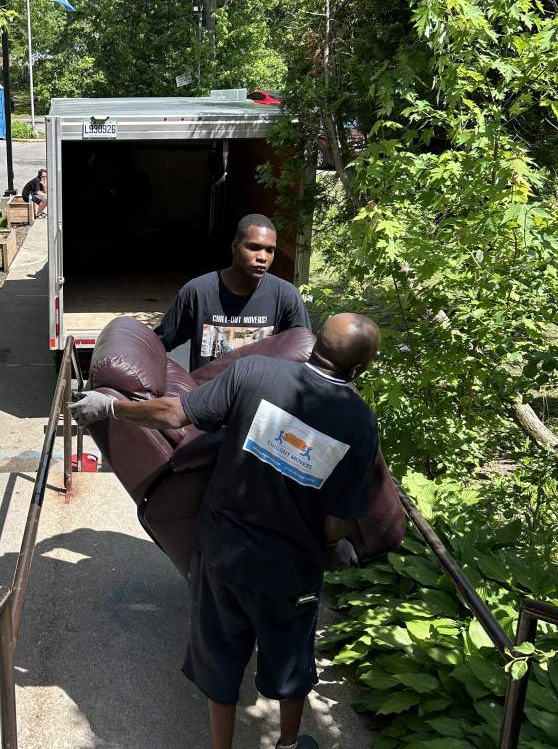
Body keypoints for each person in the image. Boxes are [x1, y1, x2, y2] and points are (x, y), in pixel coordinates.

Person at [69, 313, 382, 749]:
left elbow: (173, 413)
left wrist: (110, 408)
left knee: (219, 658)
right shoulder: (360, 424)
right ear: (360, 368)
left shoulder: (255, 372)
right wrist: (333, 544)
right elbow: (338, 520)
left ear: (315, 345)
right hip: (289, 569)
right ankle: (289, 745)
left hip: (222, 551)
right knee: (291, 659)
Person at [156, 214, 310, 371]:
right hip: (207, 387)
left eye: (270, 250)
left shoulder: (285, 296)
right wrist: (174, 382)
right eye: (254, 247)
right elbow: (157, 345)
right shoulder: (198, 292)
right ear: (234, 246)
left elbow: (303, 357)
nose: (263, 257)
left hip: (259, 387)